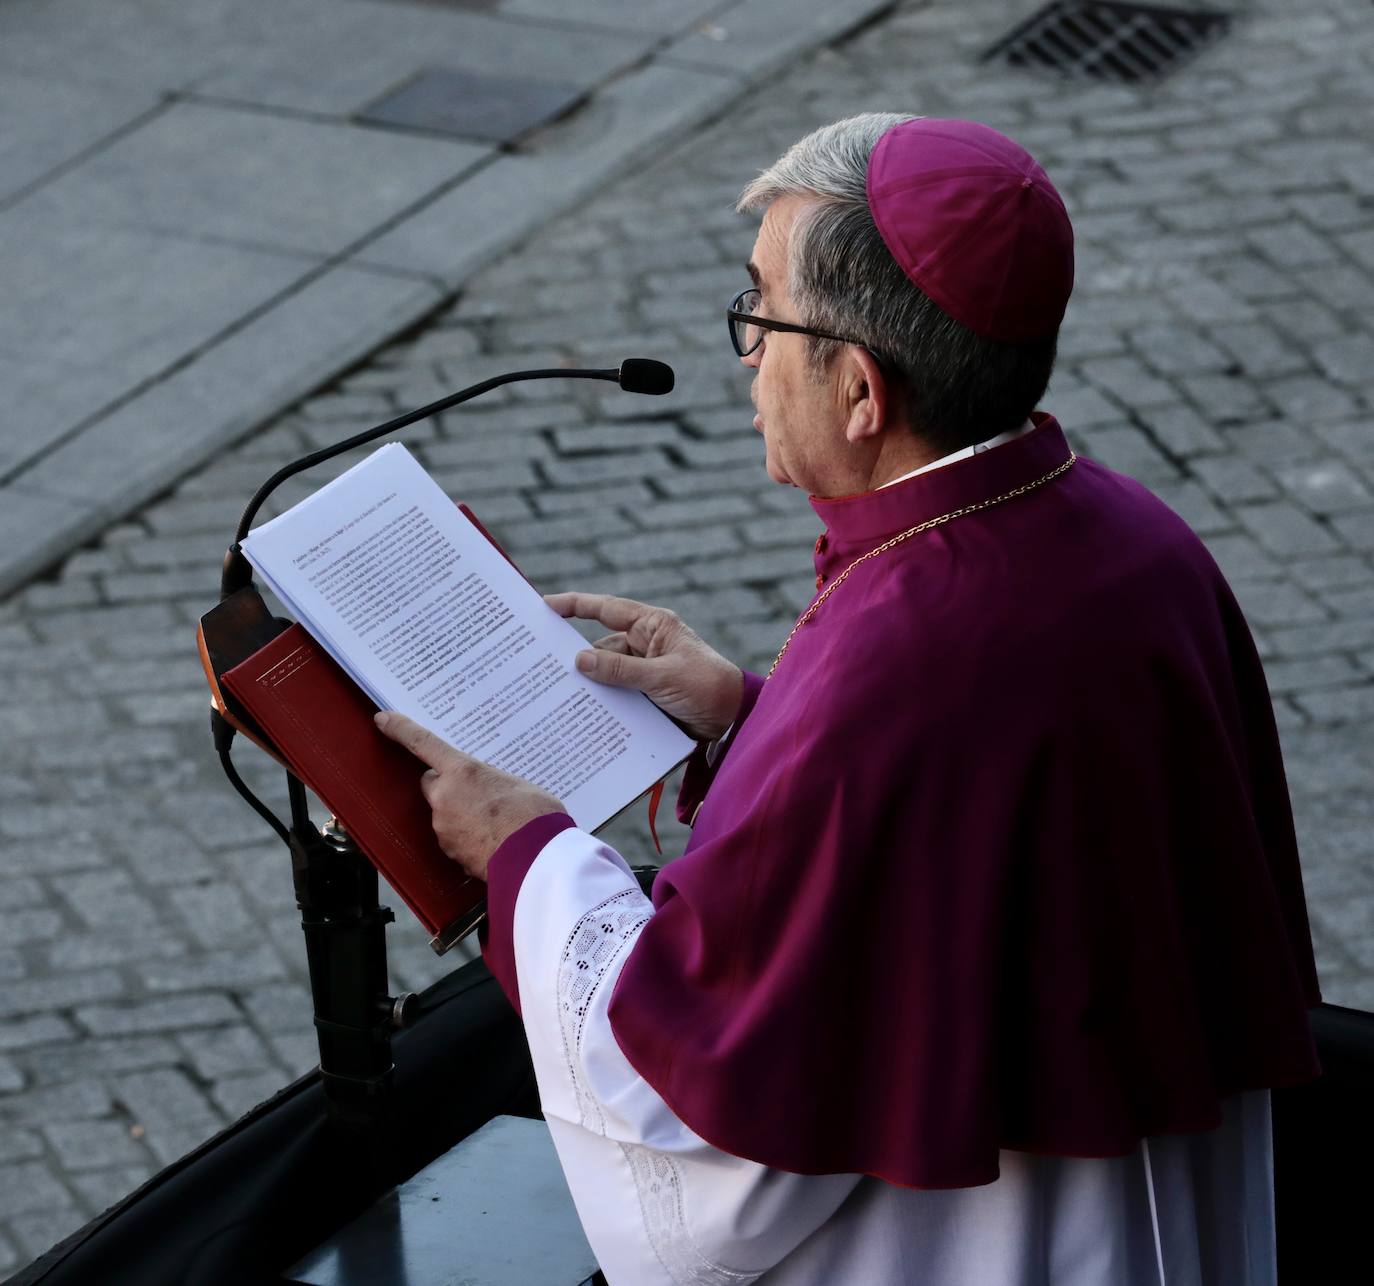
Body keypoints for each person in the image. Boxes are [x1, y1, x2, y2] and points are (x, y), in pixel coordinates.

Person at [375, 115, 1322, 1284]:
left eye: (760, 316)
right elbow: (969, 797)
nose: (746, 358)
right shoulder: (1131, 536)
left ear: (863, 391)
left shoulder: (899, 654)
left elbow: (698, 1112)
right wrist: (745, 711)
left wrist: (523, 856)